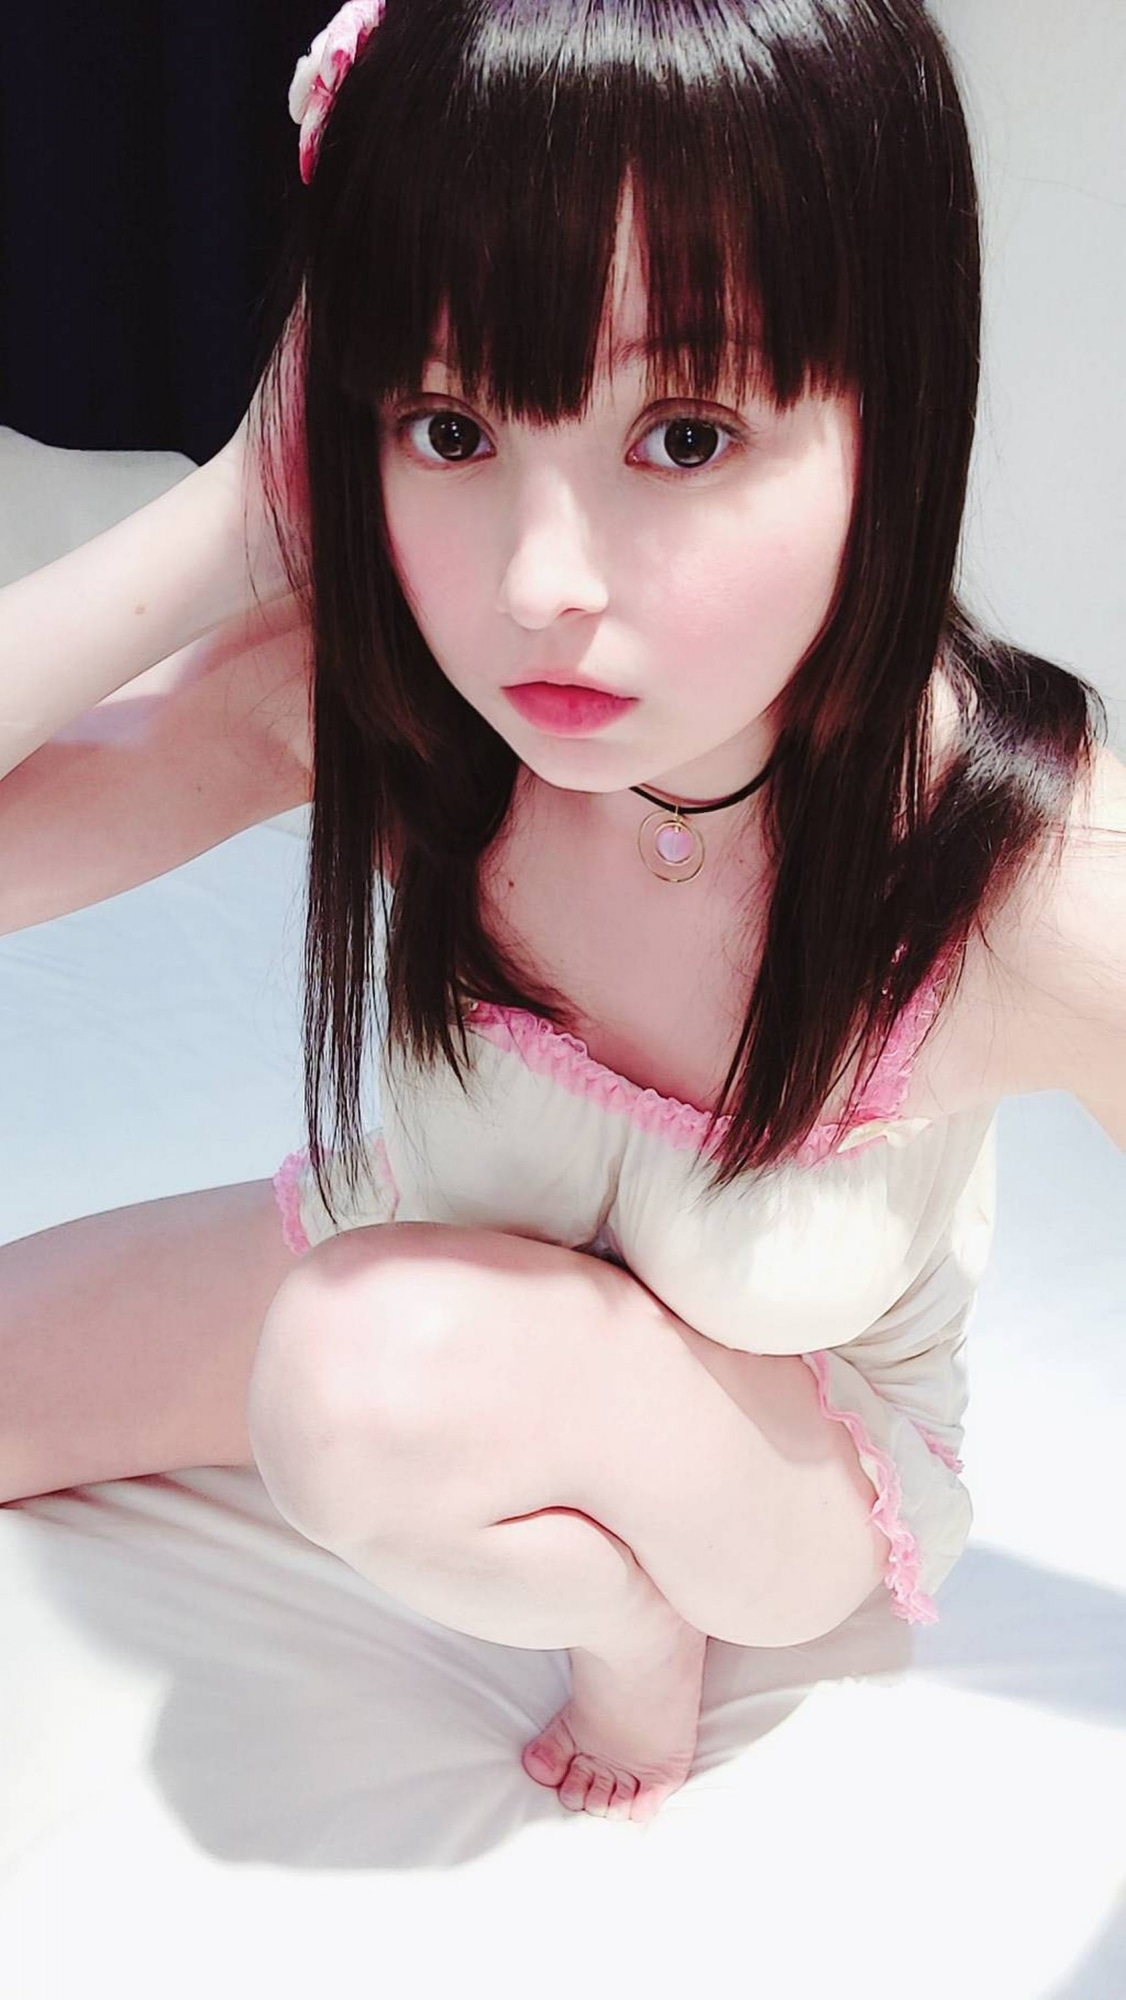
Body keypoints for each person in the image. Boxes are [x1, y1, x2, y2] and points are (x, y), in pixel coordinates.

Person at [1, 0, 1120, 1827]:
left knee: (355, 1374)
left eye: (683, 435)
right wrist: (227, 522)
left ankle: (629, 1631)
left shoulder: (1008, 876)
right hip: (429, 1257)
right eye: (449, 424)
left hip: (775, 1468)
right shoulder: (413, 718)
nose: (539, 586)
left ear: (893, 411)